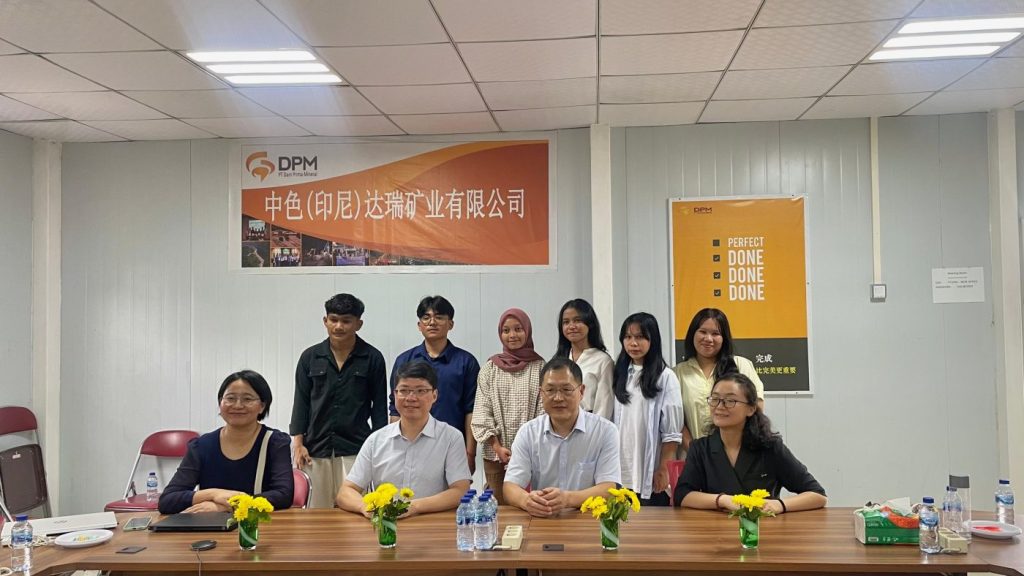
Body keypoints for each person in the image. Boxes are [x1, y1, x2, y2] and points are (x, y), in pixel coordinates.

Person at [674, 373, 826, 513]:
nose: (719, 406)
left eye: (730, 401)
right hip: (716, 529)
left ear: (751, 409)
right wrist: (723, 500)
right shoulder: (700, 448)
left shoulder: (770, 447)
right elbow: (682, 495)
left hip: (762, 528)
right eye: (715, 399)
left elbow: (818, 495)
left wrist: (779, 505)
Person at [337, 361, 472, 517]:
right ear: (395, 395)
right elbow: (346, 491)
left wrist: (413, 507)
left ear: (434, 395)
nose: (411, 398)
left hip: (432, 523)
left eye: (420, 391)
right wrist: (365, 507)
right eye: (404, 390)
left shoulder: (451, 437)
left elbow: (460, 490)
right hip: (386, 524)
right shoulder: (376, 440)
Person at [290, 293, 388, 509]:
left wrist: (379, 448)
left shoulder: (373, 358)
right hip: (315, 448)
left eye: (346, 321)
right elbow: (301, 402)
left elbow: (379, 408)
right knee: (317, 511)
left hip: (356, 448)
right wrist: (298, 444)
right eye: (333, 320)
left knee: (356, 511)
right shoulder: (310, 357)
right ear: (325, 321)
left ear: (358, 324)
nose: (339, 326)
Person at [159, 370, 293, 514]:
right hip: (210, 524)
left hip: (258, 523)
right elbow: (167, 501)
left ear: (262, 406)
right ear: (220, 402)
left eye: (247, 399)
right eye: (230, 398)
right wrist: (213, 494)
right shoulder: (202, 445)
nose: (238, 405)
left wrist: (229, 506)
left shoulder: (275, 442)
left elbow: (283, 495)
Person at [504, 357, 621, 517]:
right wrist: (527, 501)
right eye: (550, 390)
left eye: (566, 390)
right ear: (541, 393)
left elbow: (609, 488)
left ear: (581, 391)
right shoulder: (528, 433)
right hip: (544, 519)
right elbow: (510, 486)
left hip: (588, 519)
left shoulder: (605, 431)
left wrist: (567, 499)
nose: (558, 398)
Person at [390, 296, 480, 473]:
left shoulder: (466, 362)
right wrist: (395, 447)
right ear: (419, 325)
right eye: (426, 317)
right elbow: (395, 407)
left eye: (439, 317)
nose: (432, 322)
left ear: (450, 324)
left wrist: (470, 453)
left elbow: (471, 411)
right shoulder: (404, 361)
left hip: (452, 446)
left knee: (454, 490)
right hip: (411, 444)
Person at [471, 308, 545, 504]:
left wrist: (524, 449)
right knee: (498, 507)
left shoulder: (540, 367)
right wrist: (496, 446)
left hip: (533, 454)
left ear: (527, 331)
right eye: (506, 330)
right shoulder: (490, 368)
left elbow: (543, 412)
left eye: (518, 329)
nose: (512, 335)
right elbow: (482, 410)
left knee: (532, 505)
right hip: (495, 454)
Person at [613, 312, 683, 506]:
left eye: (640, 337)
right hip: (621, 465)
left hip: (649, 468)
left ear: (653, 340)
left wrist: (663, 468)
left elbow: (671, 433)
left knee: (651, 518)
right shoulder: (619, 373)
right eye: (628, 337)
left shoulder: (666, 377)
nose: (633, 343)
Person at [673, 308, 765, 450]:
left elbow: (756, 408)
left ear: (724, 338)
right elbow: (676, 420)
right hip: (693, 455)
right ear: (692, 334)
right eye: (703, 332)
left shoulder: (741, 365)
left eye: (715, 333)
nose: (708, 339)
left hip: (737, 453)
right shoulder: (677, 373)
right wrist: (695, 452)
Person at [554, 298, 614, 420]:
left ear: (589, 323)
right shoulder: (559, 359)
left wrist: (596, 429)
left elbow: (604, 406)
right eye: (566, 322)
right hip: (560, 423)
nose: (571, 326)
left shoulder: (603, 361)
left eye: (578, 320)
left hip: (589, 424)